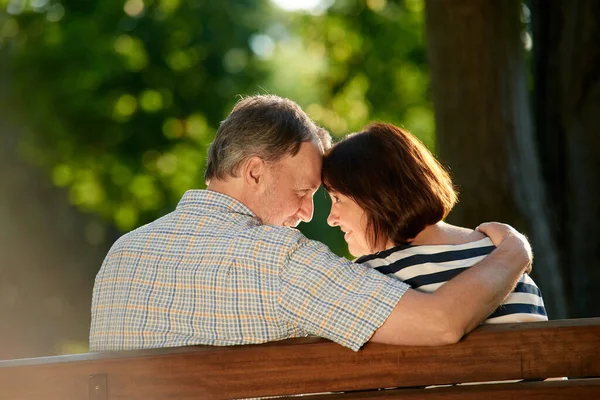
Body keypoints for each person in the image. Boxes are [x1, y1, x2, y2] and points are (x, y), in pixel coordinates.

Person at [90, 95, 533, 353]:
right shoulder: (278, 262)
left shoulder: (121, 255)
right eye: (304, 192)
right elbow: (439, 323)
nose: (307, 214)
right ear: (255, 172)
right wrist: (514, 251)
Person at [322, 122, 547, 323]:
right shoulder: (510, 266)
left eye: (337, 198)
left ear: (376, 196)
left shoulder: (373, 277)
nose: (332, 219)